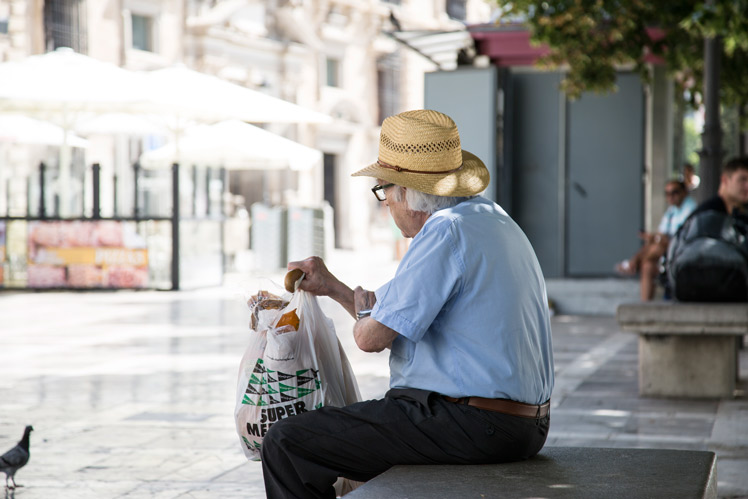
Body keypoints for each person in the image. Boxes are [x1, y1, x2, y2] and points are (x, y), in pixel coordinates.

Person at [260, 110, 554, 498]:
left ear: (408, 194)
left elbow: (371, 335)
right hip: (522, 424)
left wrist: (364, 318)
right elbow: (397, 312)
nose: (385, 205)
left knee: (286, 442)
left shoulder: (444, 232)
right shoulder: (489, 219)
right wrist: (331, 286)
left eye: (383, 190)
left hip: (472, 422)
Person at [615, 179, 696, 300]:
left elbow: (678, 237)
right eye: (667, 193)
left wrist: (657, 238)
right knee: (647, 265)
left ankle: (632, 263)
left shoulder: (690, 208)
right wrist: (654, 237)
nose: (670, 197)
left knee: (658, 244)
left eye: (674, 192)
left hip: (684, 250)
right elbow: (661, 233)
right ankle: (645, 309)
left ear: (684, 192)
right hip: (668, 252)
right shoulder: (671, 211)